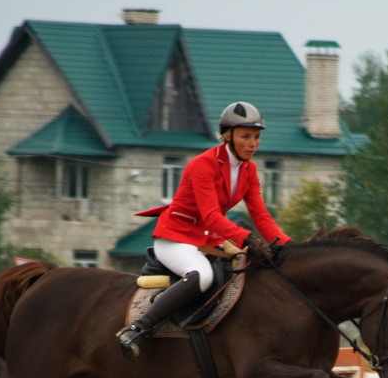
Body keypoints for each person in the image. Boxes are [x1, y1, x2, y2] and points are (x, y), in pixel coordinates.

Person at [116, 101, 292, 357]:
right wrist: (248, 238)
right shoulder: (204, 164)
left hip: (206, 240)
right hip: (174, 237)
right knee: (203, 275)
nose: (253, 143)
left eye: (256, 137)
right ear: (227, 135)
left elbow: (262, 216)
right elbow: (210, 216)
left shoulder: (250, 170)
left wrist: (289, 246)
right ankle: (136, 328)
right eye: (246, 136)